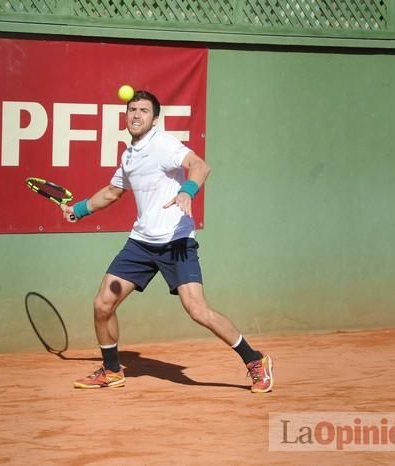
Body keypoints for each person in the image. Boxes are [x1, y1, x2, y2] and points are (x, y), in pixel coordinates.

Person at [61, 90, 273, 393]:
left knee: (198, 310)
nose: (136, 115)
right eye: (132, 109)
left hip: (176, 242)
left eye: (143, 111)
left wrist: (187, 190)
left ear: (154, 118)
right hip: (141, 243)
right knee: (102, 304)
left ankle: (255, 360)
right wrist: (79, 210)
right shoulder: (130, 155)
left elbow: (200, 165)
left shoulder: (163, 144)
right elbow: (112, 192)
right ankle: (111, 370)